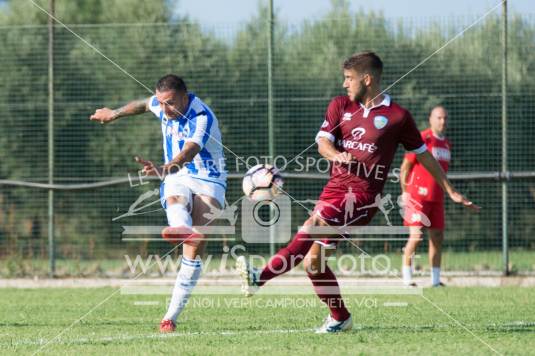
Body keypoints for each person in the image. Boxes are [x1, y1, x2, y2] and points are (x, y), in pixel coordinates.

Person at [236, 52, 479, 333]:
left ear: (367, 79)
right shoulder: (340, 106)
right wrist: (337, 155)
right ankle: (340, 317)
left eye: (349, 78)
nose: (344, 84)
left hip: (362, 199)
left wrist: (450, 189)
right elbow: (323, 144)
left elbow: (423, 156)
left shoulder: (398, 117)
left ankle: (259, 277)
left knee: (312, 225)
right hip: (333, 192)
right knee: (313, 264)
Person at [90, 74, 227, 333]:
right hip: (177, 176)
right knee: (179, 206)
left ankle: (170, 316)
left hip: (209, 177)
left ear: (185, 97)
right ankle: (180, 226)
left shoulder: (201, 117)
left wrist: (163, 169)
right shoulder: (162, 104)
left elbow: (189, 153)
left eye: (170, 103)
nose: (164, 109)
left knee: (195, 246)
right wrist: (115, 113)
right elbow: (143, 104)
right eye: (161, 103)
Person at [400, 105, 451, 287]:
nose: (442, 121)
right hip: (417, 198)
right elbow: (405, 168)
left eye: (445, 118)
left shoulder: (446, 143)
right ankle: (407, 279)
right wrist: (405, 193)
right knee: (416, 236)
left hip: (437, 198)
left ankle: (436, 281)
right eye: (439, 118)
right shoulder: (423, 138)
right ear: (430, 119)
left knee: (437, 237)